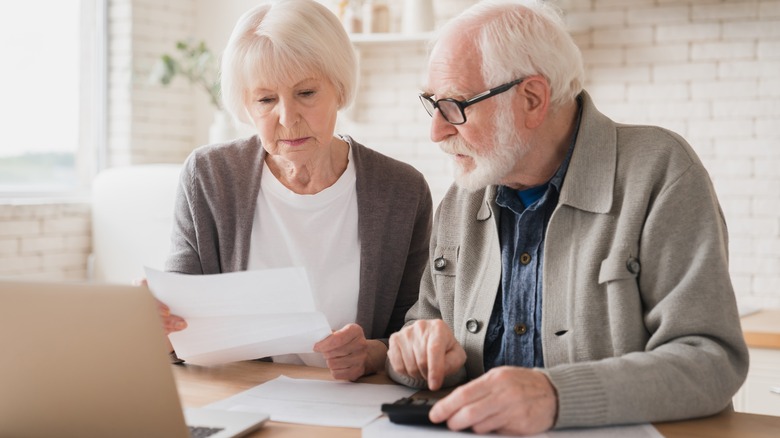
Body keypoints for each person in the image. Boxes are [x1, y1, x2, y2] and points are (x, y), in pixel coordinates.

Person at [386, 0, 749, 434]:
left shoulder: (660, 172)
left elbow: (712, 361)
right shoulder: (461, 198)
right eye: (433, 104)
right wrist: (415, 354)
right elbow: (422, 330)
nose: (437, 131)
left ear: (533, 99)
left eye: (455, 105)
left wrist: (556, 396)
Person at [157, 0, 432, 382]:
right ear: (246, 106)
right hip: (239, 397)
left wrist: (371, 354)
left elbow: (417, 329)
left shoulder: (402, 191)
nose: (288, 118)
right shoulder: (209, 177)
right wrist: (158, 323)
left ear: (338, 87)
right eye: (266, 100)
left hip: (353, 400)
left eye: (305, 93)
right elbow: (177, 326)